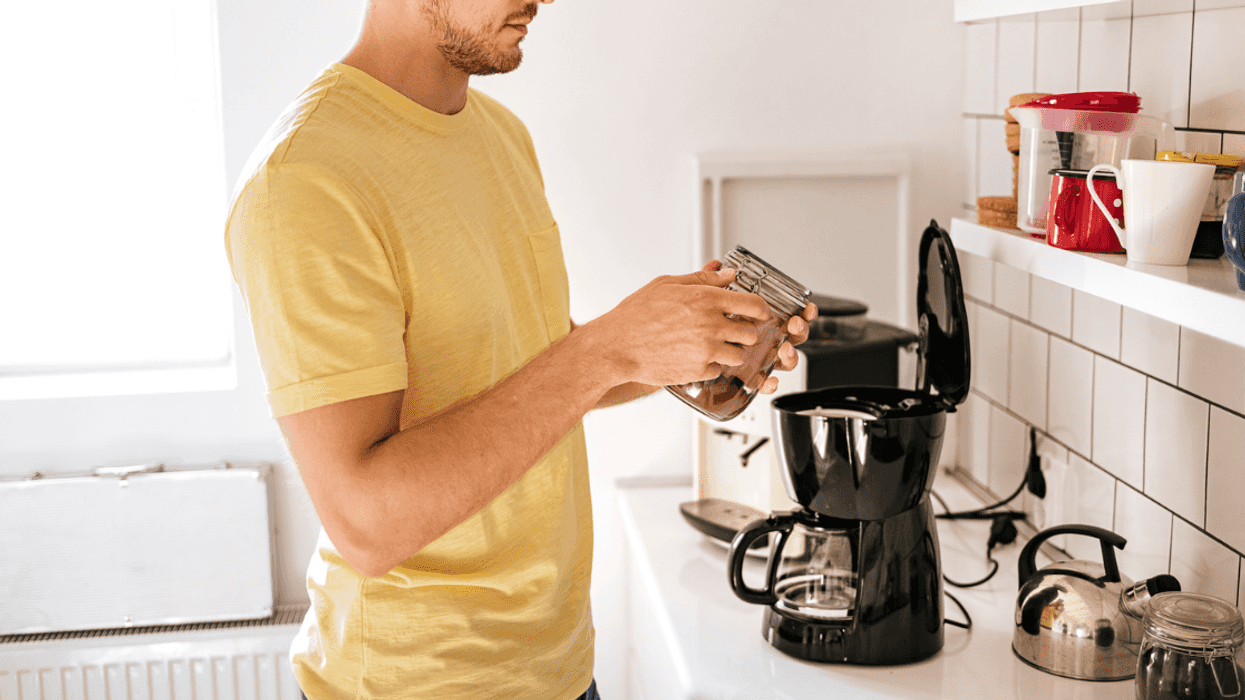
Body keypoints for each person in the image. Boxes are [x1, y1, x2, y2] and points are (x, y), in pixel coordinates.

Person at [224, 0, 817, 698]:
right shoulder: (305, 179)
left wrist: (681, 349)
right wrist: (609, 348)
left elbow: (532, 366)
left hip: (557, 670)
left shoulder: (500, 135)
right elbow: (365, 522)